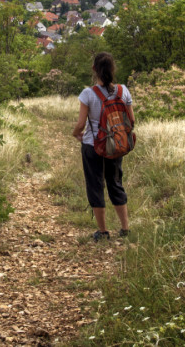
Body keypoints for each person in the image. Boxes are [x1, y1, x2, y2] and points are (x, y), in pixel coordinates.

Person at [72, 52, 133, 242]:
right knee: (115, 182)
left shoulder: (88, 94)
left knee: (95, 185)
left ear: (94, 70)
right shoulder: (124, 91)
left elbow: (81, 124)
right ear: (113, 69)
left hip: (93, 145)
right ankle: (125, 228)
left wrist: (75, 134)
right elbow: (131, 121)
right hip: (115, 145)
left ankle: (103, 231)